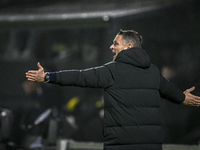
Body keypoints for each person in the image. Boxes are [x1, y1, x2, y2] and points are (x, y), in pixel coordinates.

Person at [26, 29, 200, 150]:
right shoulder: (152, 71)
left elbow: (79, 77)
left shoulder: (112, 70)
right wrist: (183, 98)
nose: (111, 47)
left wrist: (48, 77)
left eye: (116, 43)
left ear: (129, 47)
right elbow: (170, 91)